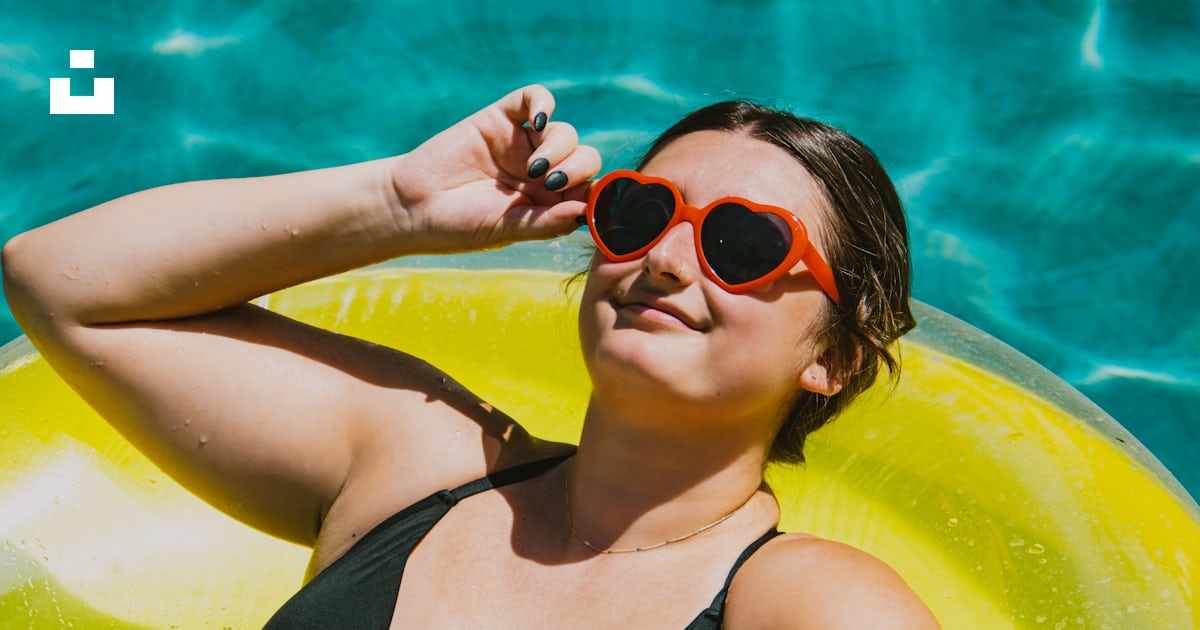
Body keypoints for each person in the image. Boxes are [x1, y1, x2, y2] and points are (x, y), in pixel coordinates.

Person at [2, 85, 938, 628]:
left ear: (835, 359)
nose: (662, 258)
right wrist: (400, 205)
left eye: (741, 245)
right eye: (638, 213)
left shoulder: (806, 602)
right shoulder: (415, 465)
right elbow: (63, 281)